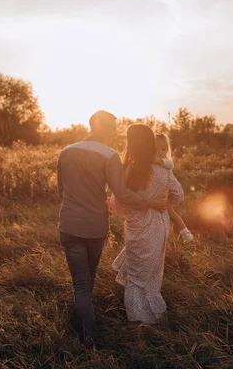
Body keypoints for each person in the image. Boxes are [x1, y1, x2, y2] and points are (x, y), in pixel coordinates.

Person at [57, 110, 167, 345]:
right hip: (95, 227)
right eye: (114, 129)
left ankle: (81, 322)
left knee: (80, 283)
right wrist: (150, 202)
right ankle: (89, 337)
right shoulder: (109, 155)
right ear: (104, 128)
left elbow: (60, 190)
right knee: (87, 280)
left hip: (68, 224)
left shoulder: (65, 152)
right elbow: (122, 193)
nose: (116, 133)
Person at [110, 124, 184, 324]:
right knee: (152, 273)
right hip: (158, 225)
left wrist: (133, 211)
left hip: (136, 225)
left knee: (135, 277)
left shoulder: (126, 170)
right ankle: (153, 316)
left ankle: (136, 322)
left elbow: (117, 205)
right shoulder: (163, 171)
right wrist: (163, 201)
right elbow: (178, 195)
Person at [155, 133, 194, 243]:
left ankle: (185, 232)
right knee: (170, 214)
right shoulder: (150, 160)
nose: (159, 152)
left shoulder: (165, 161)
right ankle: (185, 233)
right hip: (158, 193)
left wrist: (159, 161)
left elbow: (170, 164)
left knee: (171, 213)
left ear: (166, 150)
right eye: (155, 149)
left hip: (164, 193)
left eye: (163, 149)